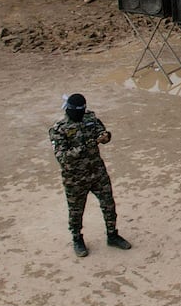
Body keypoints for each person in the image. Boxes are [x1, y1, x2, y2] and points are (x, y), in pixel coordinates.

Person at [49, 93, 132, 257]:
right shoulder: (59, 129)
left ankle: (112, 235)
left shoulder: (90, 118)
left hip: (97, 171)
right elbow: (63, 158)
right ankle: (77, 239)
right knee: (76, 211)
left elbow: (101, 131)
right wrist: (88, 145)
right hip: (75, 178)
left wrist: (105, 136)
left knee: (109, 204)